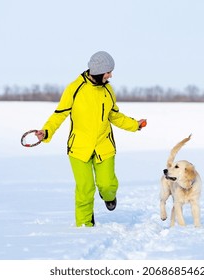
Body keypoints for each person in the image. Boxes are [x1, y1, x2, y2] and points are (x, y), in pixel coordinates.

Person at [35, 51, 146, 227]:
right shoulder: (75, 88)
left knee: (107, 185)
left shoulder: (108, 90)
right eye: (108, 72)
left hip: (104, 145)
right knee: (85, 188)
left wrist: (135, 125)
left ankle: (108, 196)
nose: (111, 75)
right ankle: (84, 226)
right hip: (79, 148)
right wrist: (46, 132)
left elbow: (114, 116)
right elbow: (59, 115)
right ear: (99, 71)